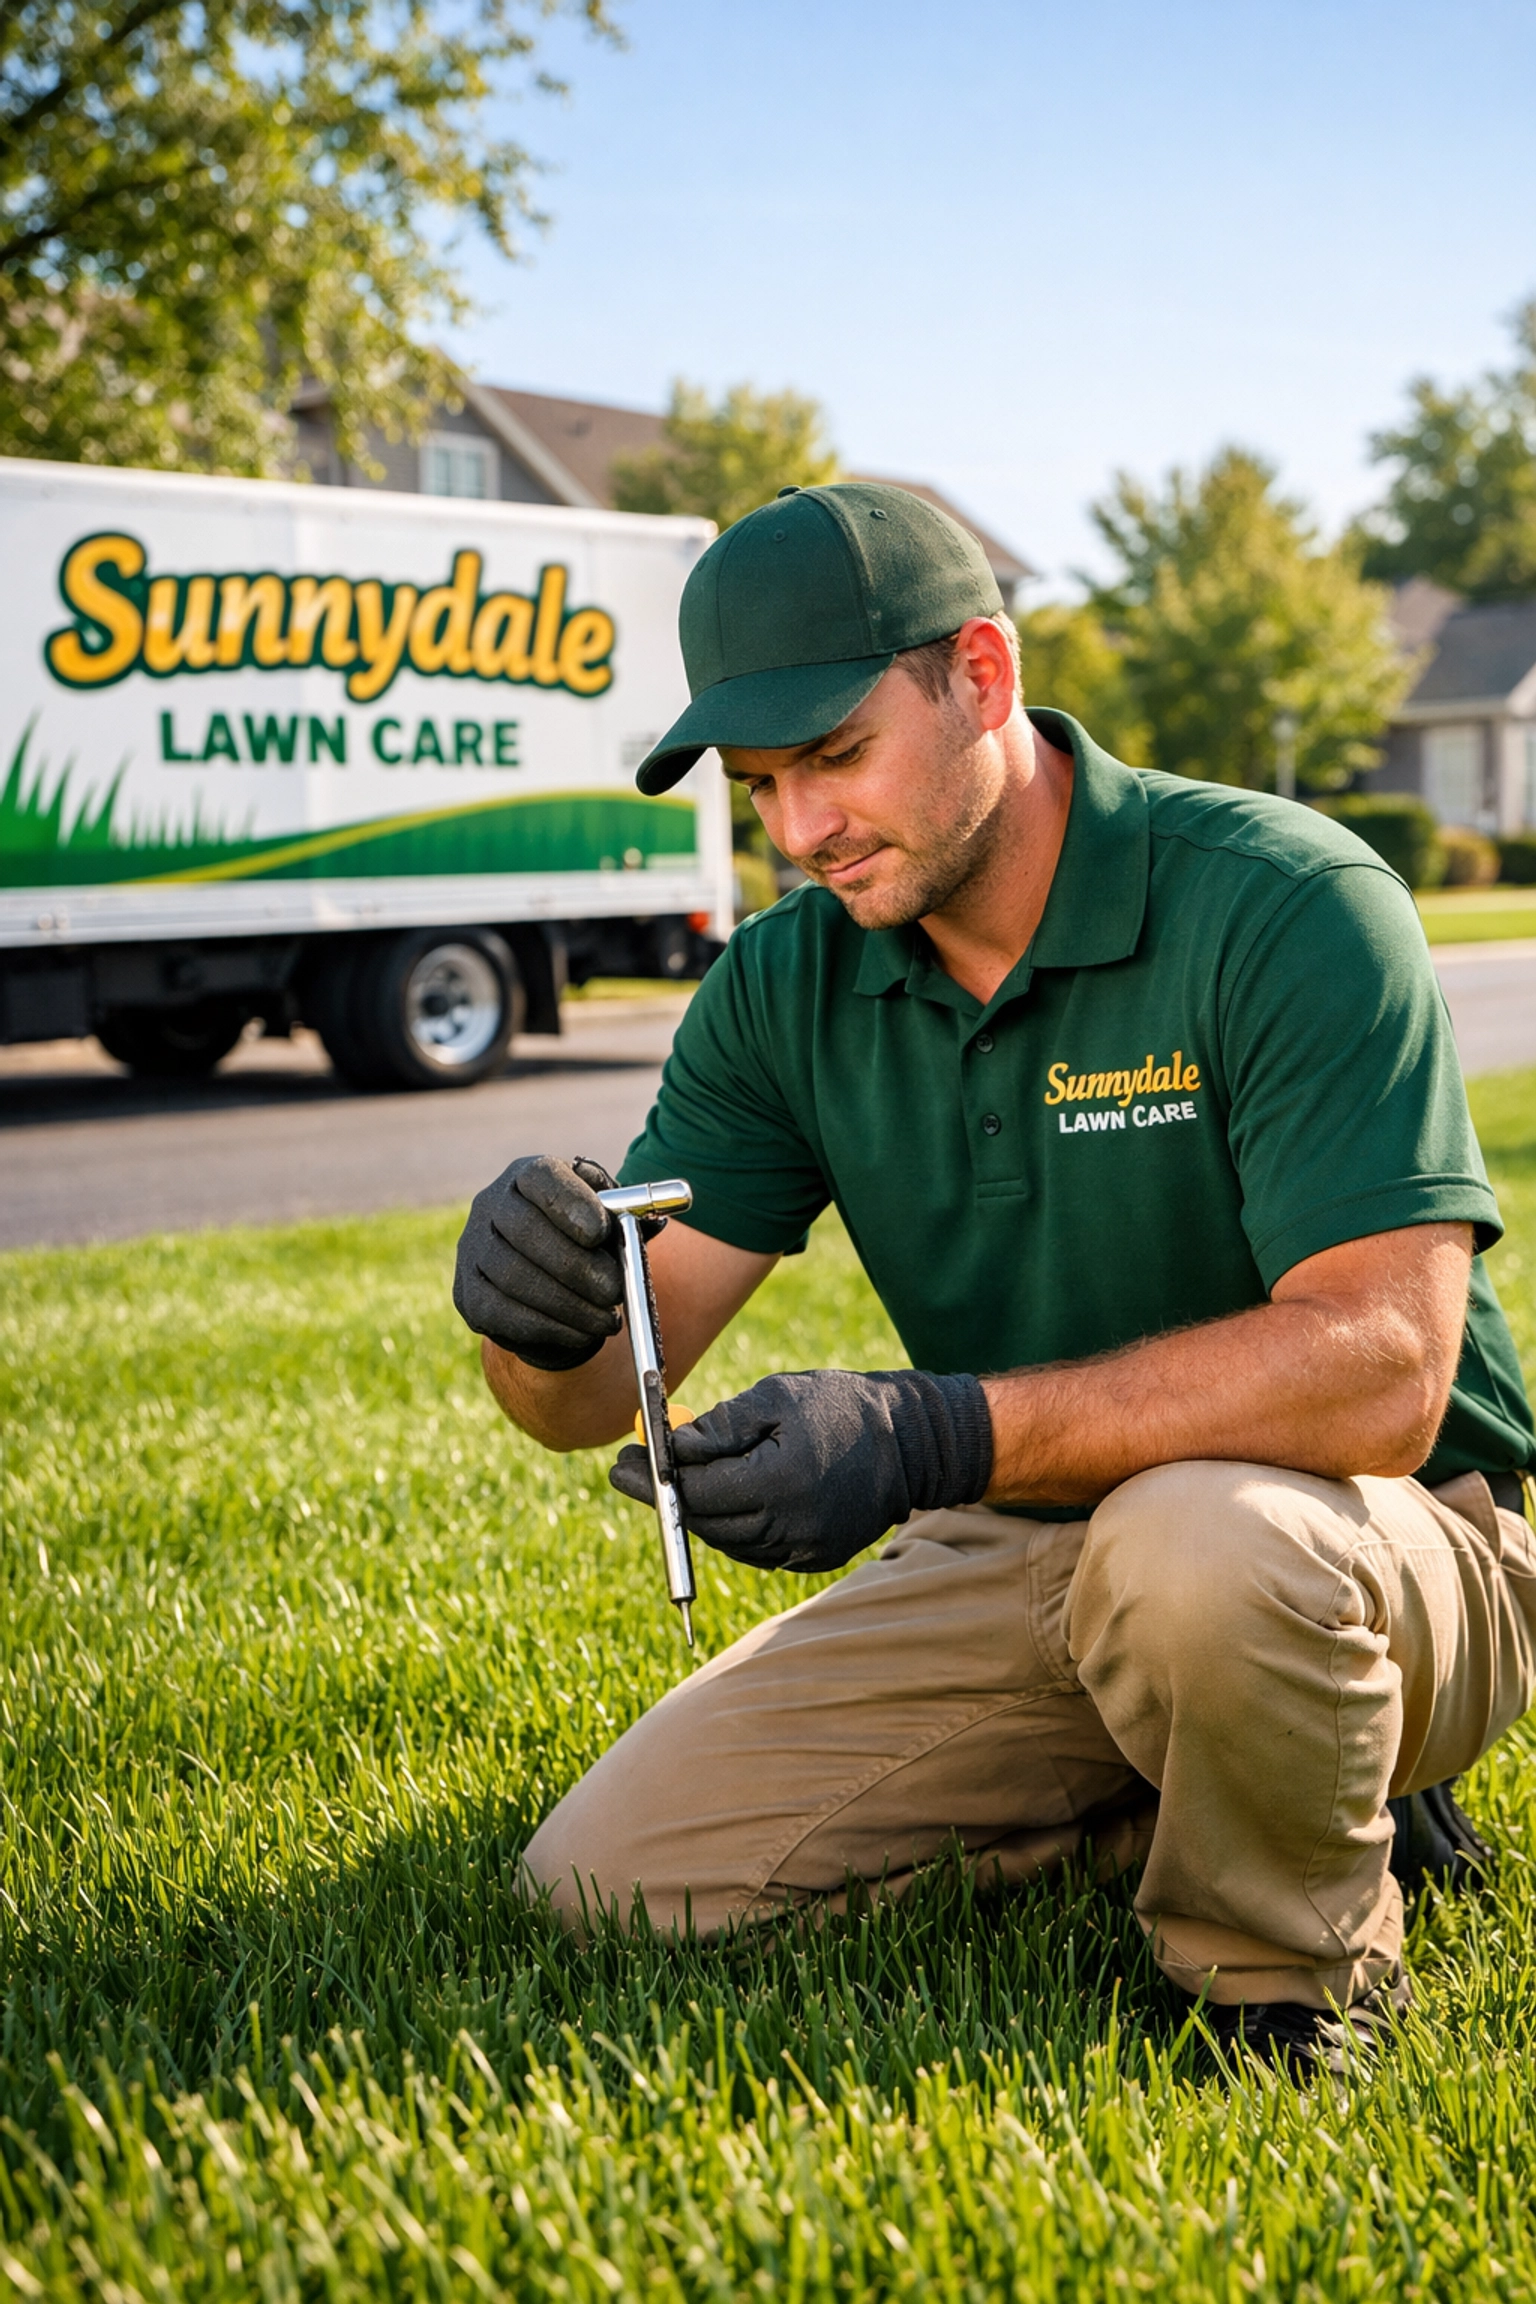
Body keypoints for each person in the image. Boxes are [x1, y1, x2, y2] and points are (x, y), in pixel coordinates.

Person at [453, 482, 1536, 2073]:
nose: (800, 831)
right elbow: (599, 1387)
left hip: (1388, 1539)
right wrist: (534, 1318)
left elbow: (1382, 1368)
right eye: (761, 785)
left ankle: (1284, 1976)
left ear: (982, 675)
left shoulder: (1285, 901)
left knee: (1198, 1548)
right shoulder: (785, 984)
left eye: (834, 757)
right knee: (612, 1885)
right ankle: (1231, 1773)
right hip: (1027, 1546)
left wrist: (925, 1437)